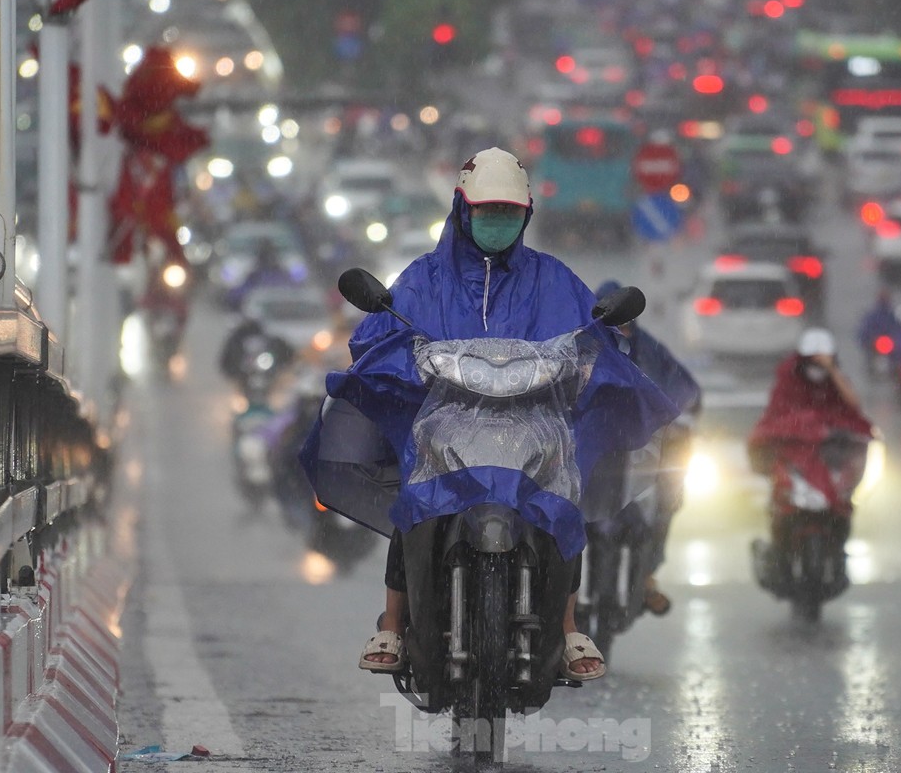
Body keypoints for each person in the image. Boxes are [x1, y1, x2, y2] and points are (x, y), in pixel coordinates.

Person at [338, 148, 674, 681]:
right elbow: (381, 336)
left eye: (508, 213)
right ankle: (394, 623)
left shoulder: (554, 279)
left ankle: (566, 629)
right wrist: (397, 358)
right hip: (444, 422)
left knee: (566, 497)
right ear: (463, 210)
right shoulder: (423, 279)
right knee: (416, 497)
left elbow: (593, 336)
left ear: (527, 215)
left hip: (534, 425)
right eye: (487, 211)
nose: (497, 222)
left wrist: (594, 357)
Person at [588, 279, 702, 616]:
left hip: (641, 450)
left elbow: (682, 389)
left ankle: (648, 575)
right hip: (596, 454)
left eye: (624, 319)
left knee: (666, 498)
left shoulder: (649, 350)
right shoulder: (580, 348)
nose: (619, 327)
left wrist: (677, 419)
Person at [748, 328, 873, 596]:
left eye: (824, 361)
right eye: (813, 361)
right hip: (794, 471)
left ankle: (838, 558)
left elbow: (853, 409)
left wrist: (834, 373)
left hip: (826, 471)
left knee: (843, 509)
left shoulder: (835, 386)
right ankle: (778, 558)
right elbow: (775, 420)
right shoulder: (788, 382)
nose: (818, 368)